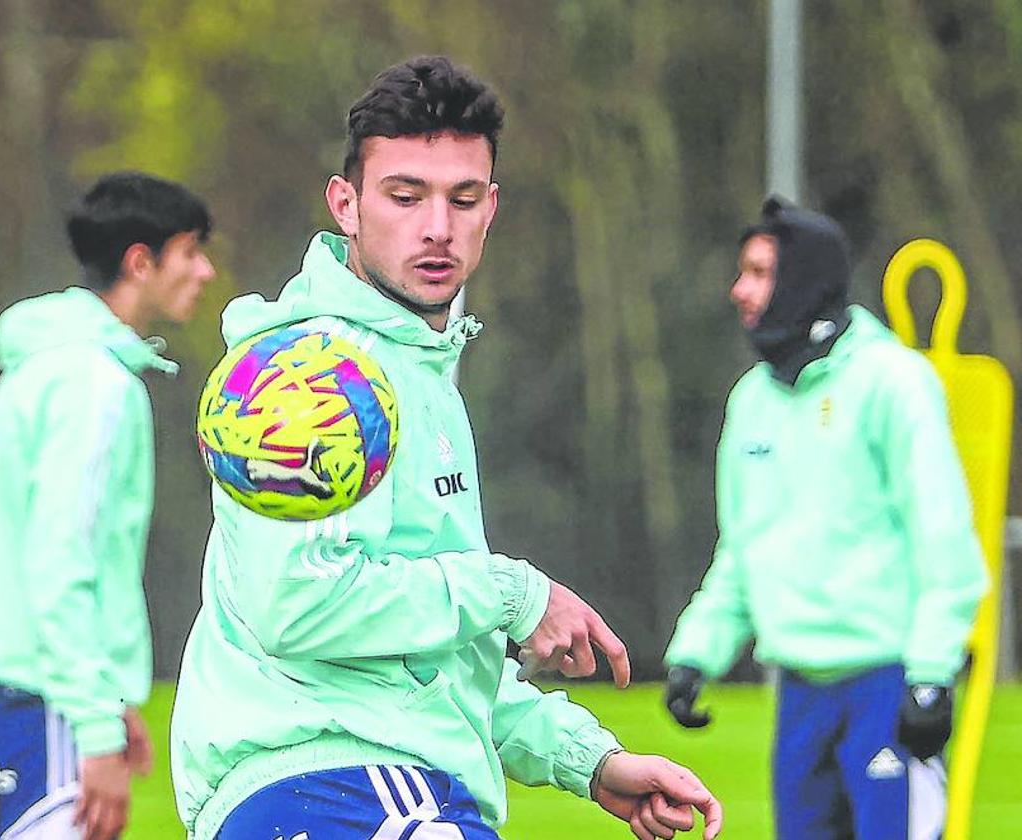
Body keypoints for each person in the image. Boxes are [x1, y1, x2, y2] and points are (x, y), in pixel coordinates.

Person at [171, 56, 722, 840]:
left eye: (463, 199)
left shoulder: (422, 373)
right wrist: (512, 593)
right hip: (330, 777)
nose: (438, 226)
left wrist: (587, 760)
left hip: (382, 779)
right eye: (406, 196)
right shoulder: (313, 373)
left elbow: (430, 664)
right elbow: (294, 606)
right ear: (346, 205)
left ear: (491, 208)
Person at [663, 196, 988, 839]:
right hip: (802, 696)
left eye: (758, 273)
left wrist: (929, 675)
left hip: (888, 685)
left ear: (803, 282)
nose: (738, 291)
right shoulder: (752, 400)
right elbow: (744, 548)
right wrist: (698, 652)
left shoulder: (894, 383)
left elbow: (942, 535)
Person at [0, 171, 216, 840]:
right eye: (192, 251)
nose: (204, 271)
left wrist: (108, 700)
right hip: (39, 700)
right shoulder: (93, 385)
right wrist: (91, 721)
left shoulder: (49, 364)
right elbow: (64, 561)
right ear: (140, 262)